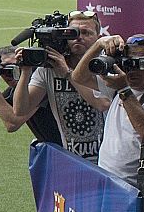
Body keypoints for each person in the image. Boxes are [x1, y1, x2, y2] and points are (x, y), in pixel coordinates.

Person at [74, 34, 144, 183]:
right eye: (128, 63)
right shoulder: (118, 83)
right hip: (107, 178)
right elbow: (79, 77)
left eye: (141, 63)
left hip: (137, 186)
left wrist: (123, 89)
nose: (133, 70)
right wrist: (99, 44)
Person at [11, 9, 109, 161]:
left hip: (107, 161)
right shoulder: (49, 69)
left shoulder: (105, 65)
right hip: (71, 159)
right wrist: (25, 71)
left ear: (99, 37)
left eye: (86, 33)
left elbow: (102, 103)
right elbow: (20, 110)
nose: (79, 38)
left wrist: (67, 73)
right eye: (73, 33)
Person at [0, 46, 62, 145]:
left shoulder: (39, 86)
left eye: (14, 67)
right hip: (54, 150)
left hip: (66, 151)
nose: (9, 73)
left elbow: (12, 123)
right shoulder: (14, 90)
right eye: (4, 69)